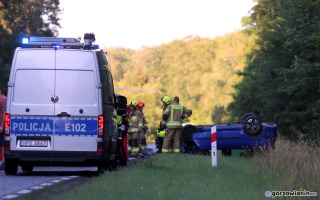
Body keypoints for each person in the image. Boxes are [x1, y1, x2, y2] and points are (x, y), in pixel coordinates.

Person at [115, 95, 129, 166]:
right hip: (117, 128)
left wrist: (126, 125)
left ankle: (122, 160)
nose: (115, 100)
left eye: (116, 99)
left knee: (120, 143)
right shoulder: (115, 108)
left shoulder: (122, 109)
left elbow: (125, 119)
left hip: (121, 128)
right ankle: (119, 159)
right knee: (117, 144)